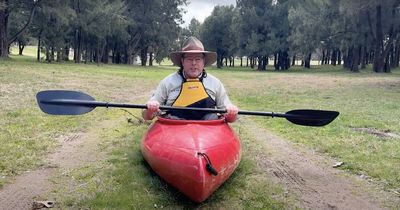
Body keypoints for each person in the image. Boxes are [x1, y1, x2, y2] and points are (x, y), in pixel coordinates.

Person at [142, 36, 238, 122]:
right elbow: (146, 116)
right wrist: (150, 108)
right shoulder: (167, 83)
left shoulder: (215, 84)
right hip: (175, 131)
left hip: (207, 134)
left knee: (211, 117)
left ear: (203, 62)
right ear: (182, 61)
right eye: (189, 59)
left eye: (198, 59)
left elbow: (230, 119)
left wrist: (231, 112)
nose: (193, 63)